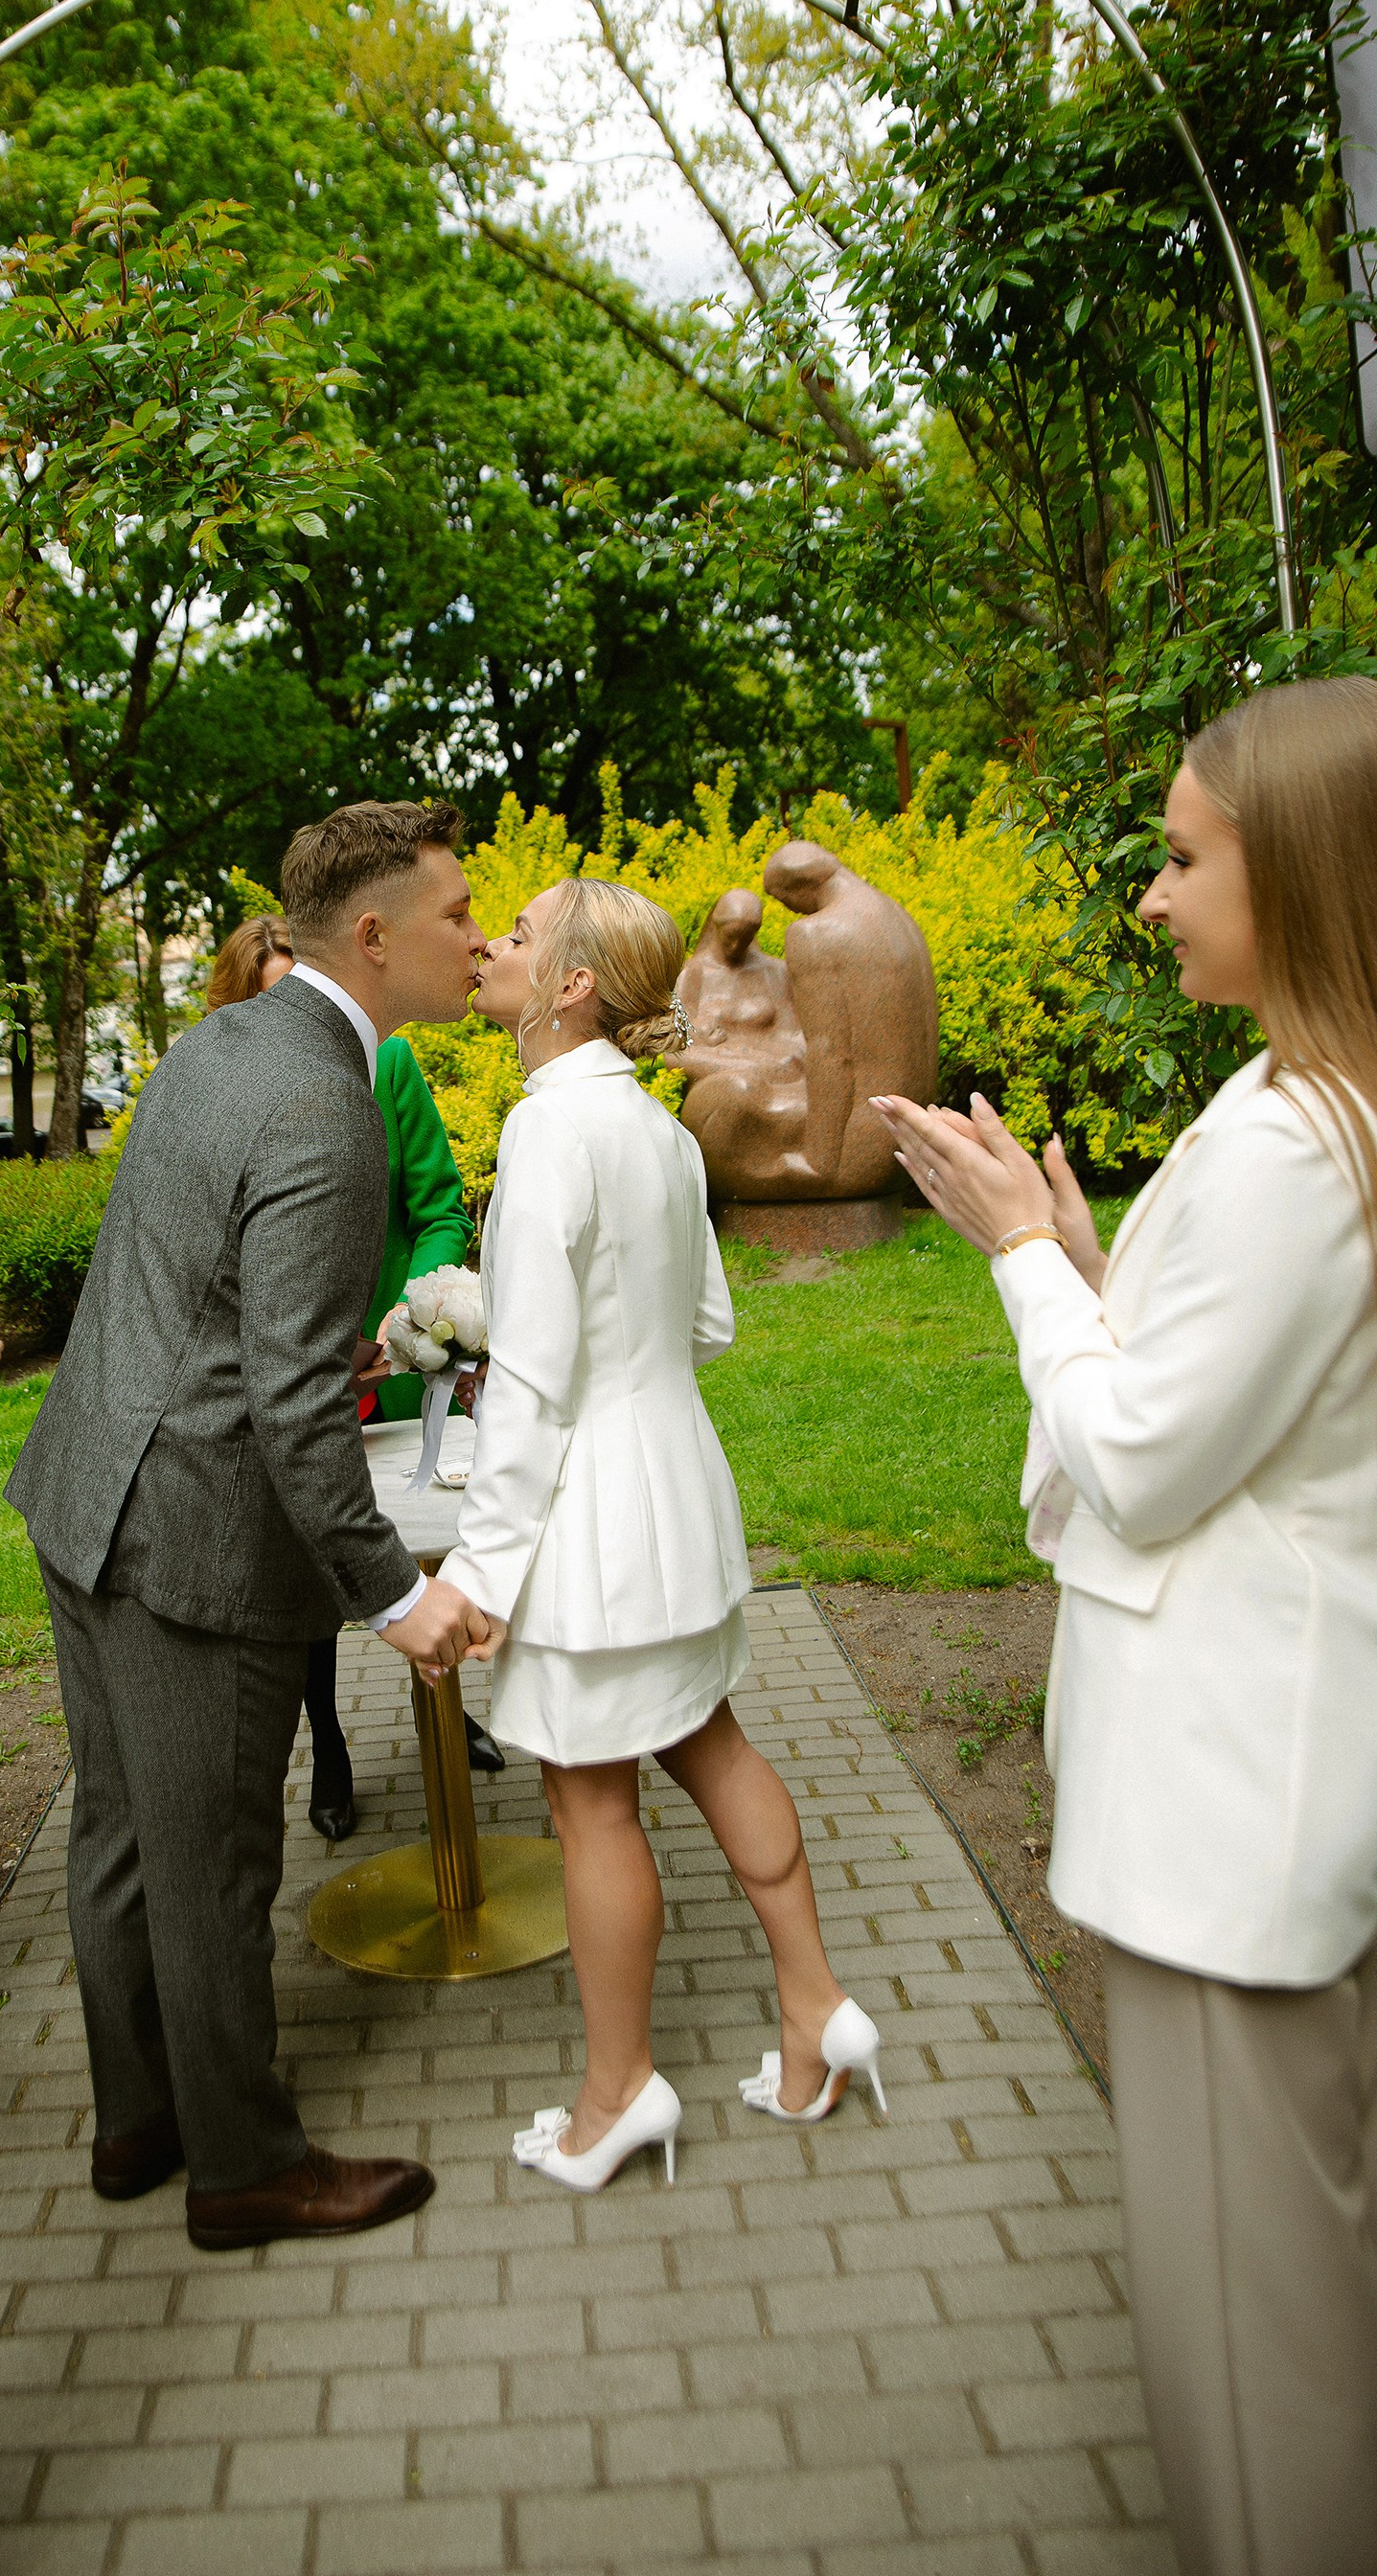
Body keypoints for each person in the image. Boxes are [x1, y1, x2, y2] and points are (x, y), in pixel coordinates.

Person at [876, 675, 1377, 2576]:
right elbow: (1231, 1395)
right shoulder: (1298, 1097)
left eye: (1183, 857)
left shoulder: (1292, 1140)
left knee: (1258, 2351)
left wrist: (1020, 1262)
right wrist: (1092, 1269)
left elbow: (1148, 1463)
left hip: (1227, 1827)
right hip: (1261, 1799)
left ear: (1309, 876)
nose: (1149, 898)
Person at [8, 800, 490, 2250]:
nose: (478, 937)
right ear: (375, 936)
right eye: (460, 914)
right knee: (212, 1858)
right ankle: (241, 2167)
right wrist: (393, 1595)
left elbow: (186, 1270)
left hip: (85, 1490)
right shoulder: (328, 1101)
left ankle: (138, 2119)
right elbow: (289, 1409)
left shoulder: (223, 1045)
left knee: (121, 1840)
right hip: (193, 1541)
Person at [444, 878, 884, 2192]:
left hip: (593, 1518)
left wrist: (478, 1570)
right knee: (712, 1738)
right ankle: (816, 2009)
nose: (493, 951)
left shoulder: (547, 1134)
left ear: (572, 983)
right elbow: (705, 1329)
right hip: (680, 1489)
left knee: (590, 1802)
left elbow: (526, 1387)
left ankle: (618, 2092)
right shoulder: (662, 1133)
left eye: (519, 937)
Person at [205, 905, 500, 1839]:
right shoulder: (225, 1093)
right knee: (307, 1568)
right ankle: (327, 1743)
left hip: (396, 1360)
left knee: (423, 1550)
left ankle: (451, 1719)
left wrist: (418, 1308)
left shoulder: (392, 1066)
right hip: (296, 1381)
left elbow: (442, 1202)